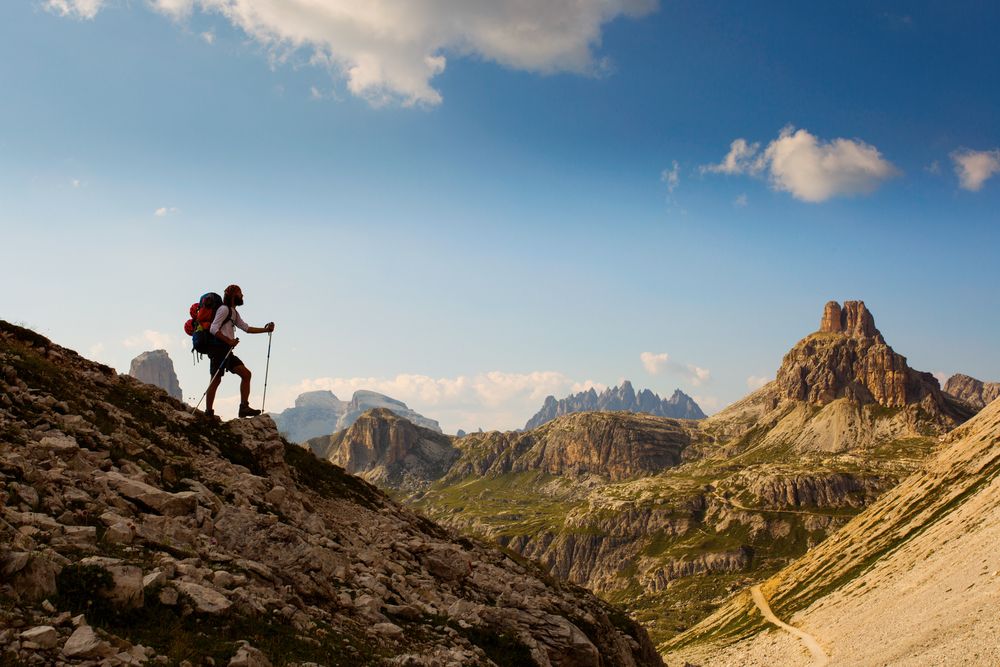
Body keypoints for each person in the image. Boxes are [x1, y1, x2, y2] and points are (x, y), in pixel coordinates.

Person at [204, 284, 275, 418]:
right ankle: (208, 413)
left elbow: (246, 328)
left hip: (227, 350)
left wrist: (266, 330)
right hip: (218, 349)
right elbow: (213, 328)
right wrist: (228, 341)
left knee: (246, 374)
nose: (242, 296)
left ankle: (244, 407)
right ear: (232, 295)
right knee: (216, 379)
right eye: (239, 293)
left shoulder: (234, 312)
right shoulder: (224, 310)